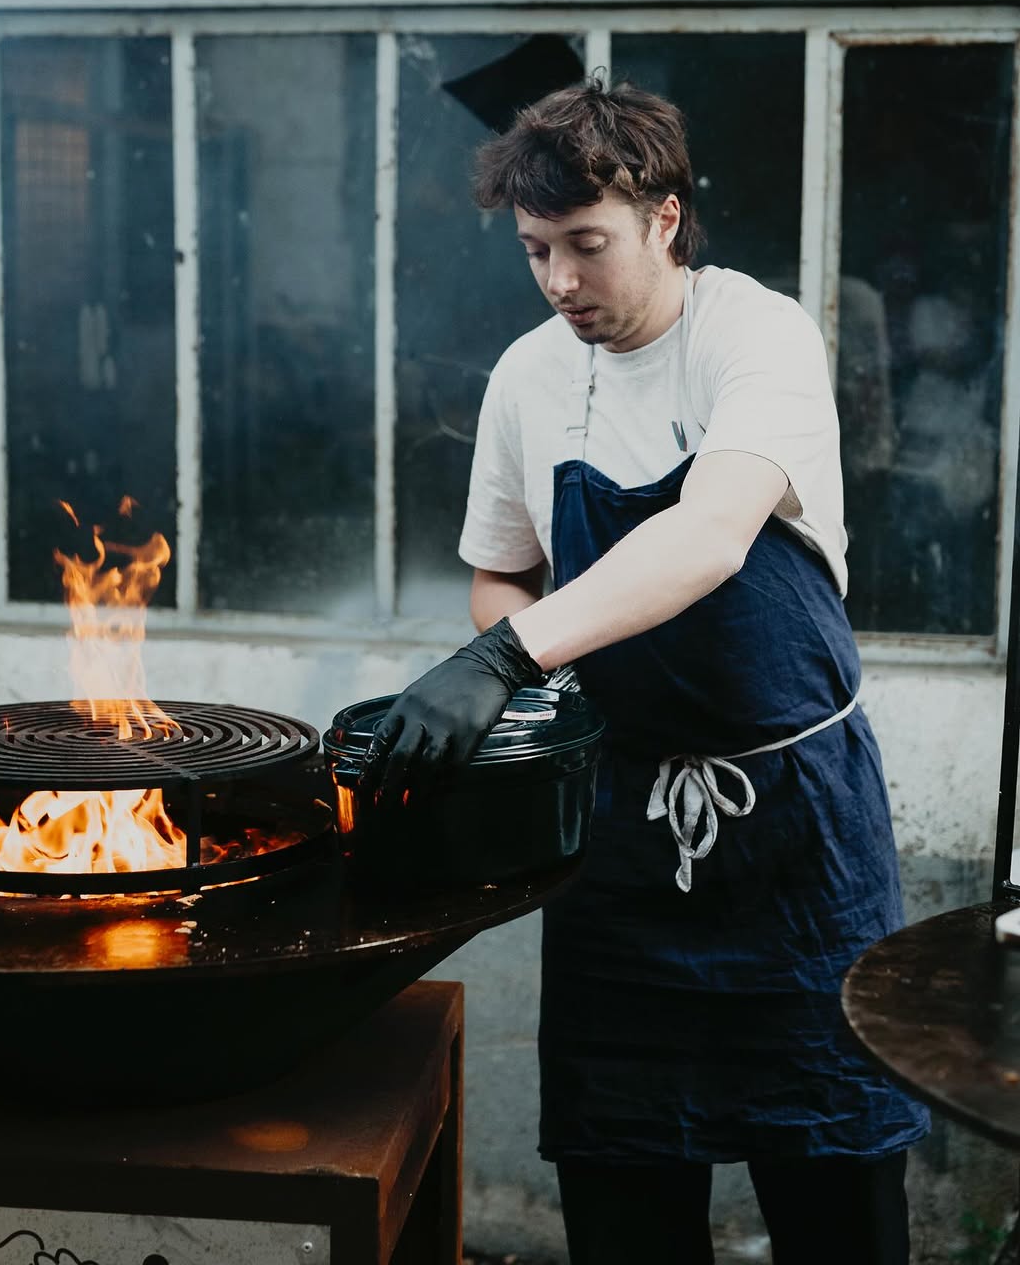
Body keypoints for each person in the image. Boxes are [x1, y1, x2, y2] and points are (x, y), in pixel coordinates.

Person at [363, 80, 930, 1264]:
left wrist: (503, 658)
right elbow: (501, 574)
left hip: (798, 847)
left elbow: (715, 535)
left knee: (837, 1195)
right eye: (535, 251)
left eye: (587, 246)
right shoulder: (527, 376)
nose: (562, 281)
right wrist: (512, 656)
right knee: (626, 1196)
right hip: (620, 846)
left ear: (663, 220)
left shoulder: (754, 334)